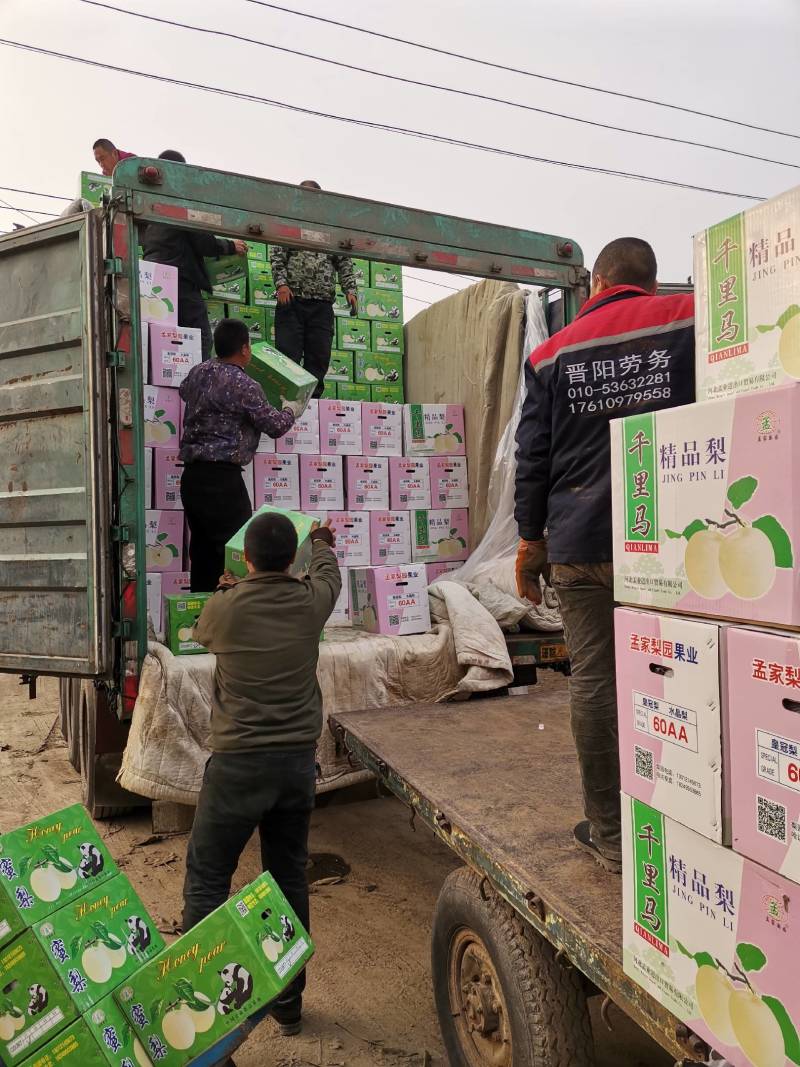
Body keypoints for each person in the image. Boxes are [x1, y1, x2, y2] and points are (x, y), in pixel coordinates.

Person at [514, 238, 694, 873]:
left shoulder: (550, 353)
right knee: (682, 677)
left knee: (594, 682)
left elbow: (531, 456)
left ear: (594, 285)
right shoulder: (689, 320)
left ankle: (614, 837)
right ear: (651, 281)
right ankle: (689, 824)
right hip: (677, 542)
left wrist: (530, 542)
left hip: (580, 540)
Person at [183, 510, 341, 1036]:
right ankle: (289, 1002)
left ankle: (204, 1008)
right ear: (291, 558)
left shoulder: (223, 609)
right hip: (296, 764)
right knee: (287, 877)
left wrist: (232, 588)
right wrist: (320, 541)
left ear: (245, 558)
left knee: (208, 880)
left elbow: (205, 628)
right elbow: (329, 576)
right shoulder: (310, 603)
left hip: (236, 768)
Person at [179, 317, 300, 592]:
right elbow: (276, 426)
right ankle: (235, 615)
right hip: (222, 481)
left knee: (202, 551)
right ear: (245, 349)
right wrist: (292, 409)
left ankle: (202, 617)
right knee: (237, 550)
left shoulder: (198, 372)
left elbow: (184, 391)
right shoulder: (246, 386)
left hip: (192, 477)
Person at [142, 150, 248, 359]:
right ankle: (198, 386)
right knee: (200, 340)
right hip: (180, 279)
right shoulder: (182, 199)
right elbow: (203, 242)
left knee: (163, 340)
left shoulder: (151, 204)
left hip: (154, 282)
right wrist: (230, 246)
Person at [270, 180, 358, 397]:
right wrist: (281, 284)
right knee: (288, 355)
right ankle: (286, 400)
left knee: (318, 358)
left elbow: (344, 261)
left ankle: (312, 402)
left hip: (321, 305)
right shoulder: (289, 223)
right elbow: (277, 255)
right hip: (292, 301)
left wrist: (350, 290)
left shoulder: (330, 228)